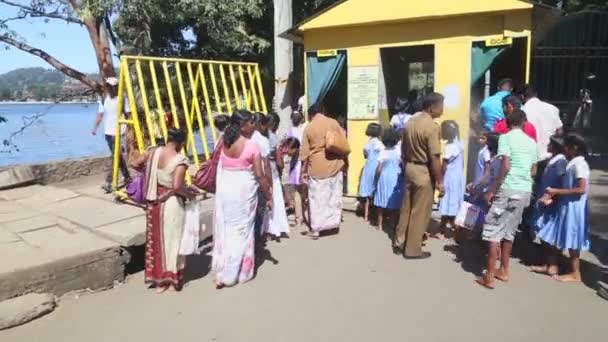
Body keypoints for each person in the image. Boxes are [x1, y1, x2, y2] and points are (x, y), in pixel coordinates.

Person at [477, 109, 538, 289]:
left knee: (493, 230)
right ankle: (504, 271)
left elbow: (505, 164)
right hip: (524, 190)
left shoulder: (506, 138)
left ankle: (489, 276)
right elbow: (534, 170)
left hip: (508, 188)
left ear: (508, 124)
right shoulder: (531, 142)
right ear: (523, 123)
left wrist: (493, 189)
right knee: (509, 231)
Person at [212, 110, 272, 288]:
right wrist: (269, 195)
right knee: (241, 232)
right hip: (243, 193)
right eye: (250, 122)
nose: (253, 125)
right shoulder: (252, 147)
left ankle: (225, 270)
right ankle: (230, 275)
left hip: (226, 191)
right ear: (243, 126)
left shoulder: (224, 142)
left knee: (228, 229)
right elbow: (260, 175)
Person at [393, 92, 445, 259]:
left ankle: (399, 242)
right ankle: (413, 249)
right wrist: (439, 180)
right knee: (419, 212)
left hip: (409, 167)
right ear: (432, 107)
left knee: (406, 208)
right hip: (424, 170)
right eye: (441, 106)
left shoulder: (411, 122)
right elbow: (435, 157)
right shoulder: (432, 127)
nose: (442, 109)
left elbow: (403, 149)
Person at [143, 128, 195, 293]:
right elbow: (177, 186)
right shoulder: (180, 159)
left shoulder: (153, 153)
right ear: (181, 142)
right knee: (173, 242)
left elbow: (135, 163)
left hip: (155, 202)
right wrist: (189, 194)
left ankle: (159, 282)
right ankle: (172, 280)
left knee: (157, 241)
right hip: (171, 203)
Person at [537, 134, 590, 283]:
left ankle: (575, 273)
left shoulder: (580, 164)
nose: (565, 149)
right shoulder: (572, 163)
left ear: (575, 148)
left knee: (573, 239)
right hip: (567, 206)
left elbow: (581, 189)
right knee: (554, 233)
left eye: (567, 146)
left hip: (574, 208)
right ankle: (551, 265)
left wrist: (556, 192)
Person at [300, 102, 346, 239]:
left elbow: (304, 153)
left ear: (311, 114)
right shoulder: (333, 123)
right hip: (335, 164)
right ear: (323, 110)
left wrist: (303, 171)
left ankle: (316, 229)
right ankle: (332, 225)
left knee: (316, 198)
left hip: (317, 167)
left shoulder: (309, 127)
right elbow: (342, 142)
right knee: (333, 196)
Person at [529, 136, 568, 277]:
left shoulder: (561, 162)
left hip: (551, 202)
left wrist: (553, 197)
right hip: (544, 199)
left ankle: (552, 265)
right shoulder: (553, 159)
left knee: (549, 234)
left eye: (550, 144)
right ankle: (547, 263)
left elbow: (563, 182)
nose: (548, 145)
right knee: (544, 233)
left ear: (556, 147)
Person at [91, 77, 131, 193]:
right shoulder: (104, 98)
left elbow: (128, 114)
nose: (110, 88)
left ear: (116, 87)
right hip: (108, 132)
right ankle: (127, 177)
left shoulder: (122, 98)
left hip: (120, 132)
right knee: (117, 156)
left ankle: (109, 182)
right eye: (108, 86)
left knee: (114, 157)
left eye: (112, 86)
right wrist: (95, 128)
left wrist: (129, 130)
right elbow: (100, 114)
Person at [263, 113, 290, 240]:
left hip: (259, 172)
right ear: (274, 124)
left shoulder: (256, 136)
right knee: (275, 199)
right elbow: (278, 159)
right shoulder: (272, 137)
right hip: (271, 170)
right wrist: (281, 167)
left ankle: (265, 229)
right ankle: (275, 228)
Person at [438, 120, 465, 238]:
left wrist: (439, 179)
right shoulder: (459, 143)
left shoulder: (450, 147)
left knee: (448, 202)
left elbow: (444, 165)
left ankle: (452, 230)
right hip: (457, 177)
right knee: (453, 202)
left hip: (449, 178)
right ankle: (445, 228)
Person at [522, 84, 564, 160]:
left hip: (531, 156)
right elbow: (560, 131)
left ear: (522, 96)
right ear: (536, 94)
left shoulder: (523, 111)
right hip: (550, 154)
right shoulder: (552, 108)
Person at [374, 128, 404, 231]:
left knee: (381, 201)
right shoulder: (399, 151)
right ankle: (394, 224)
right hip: (396, 177)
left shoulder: (383, 152)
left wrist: (376, 178)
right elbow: (403, 164)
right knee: (395, 202)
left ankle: (380, 225)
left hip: (384, 177)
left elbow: (379, 169)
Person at [251, 113, 273, 236]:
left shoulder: (242, 139)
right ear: (261, 125)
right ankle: (256, 244)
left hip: (245, 181)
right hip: (258, 181)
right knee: (259, 212)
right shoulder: (262, 140)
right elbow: (266, 166)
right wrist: (270, 185)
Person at [285, 111, 308, 226]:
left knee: (297, 192)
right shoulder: (306, 130)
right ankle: (306, 215)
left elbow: (288, 150)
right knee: (306, 191)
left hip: (296, 164)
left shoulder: (291, 132)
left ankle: (299, 218)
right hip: (306, 163)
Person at [359, 123, 384, 222]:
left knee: (367, 193)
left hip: (368, 168)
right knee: (376, 191)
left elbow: (365, 155)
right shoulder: (380, 144)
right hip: (377, 168)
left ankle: (366, 216)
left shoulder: (367, 143)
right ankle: (377, 217)